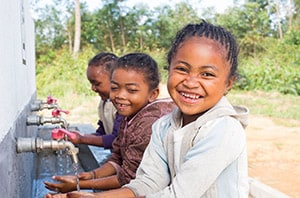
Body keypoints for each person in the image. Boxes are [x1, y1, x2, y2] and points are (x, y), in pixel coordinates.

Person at [65, 20, 249, 198]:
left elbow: (179, 194)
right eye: (182, 69)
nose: (191, 82)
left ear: (228, 84)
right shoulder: (163, 126)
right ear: (169, 69)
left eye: (207, 74)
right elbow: (149, 183)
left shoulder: (224, 130)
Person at [44, 52, 175, 197]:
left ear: (153, 94)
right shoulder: (128, 114)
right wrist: (90, 175)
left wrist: (79, 185)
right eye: (115, 88)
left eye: (131, 90)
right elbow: (118, 156)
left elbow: (130, 179)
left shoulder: (149, 122)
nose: (120, 95)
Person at [68, 52, 122, 149]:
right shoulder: (104, 102)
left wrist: (82, 139)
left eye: (96, 83)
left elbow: (116, 139)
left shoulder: (123, 105)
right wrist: (78, 136)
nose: (93, 88)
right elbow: (102, 132)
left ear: (114, 80)